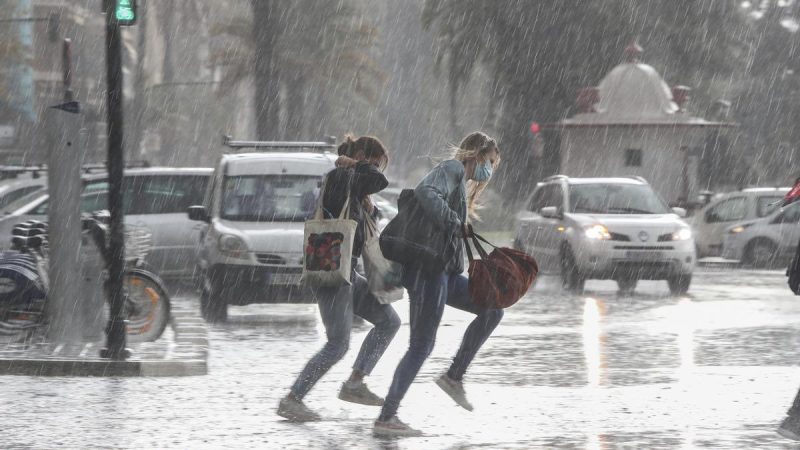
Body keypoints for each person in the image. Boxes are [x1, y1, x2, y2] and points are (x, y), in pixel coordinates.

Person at [373, 131, 503, 437]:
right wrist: (455, 223)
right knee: (421, 346)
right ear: (477, 155)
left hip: (443, 272)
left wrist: (459, 227)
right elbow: (426, 191)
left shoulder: (459, 179)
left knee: (492, 309)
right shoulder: (453, 168)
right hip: (427, 272)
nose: (491, 169)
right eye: (491, 162)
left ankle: (454, 377)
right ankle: (387, 417)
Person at [277, 135, 401, 422]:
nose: (377, 171)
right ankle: (292, 399)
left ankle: (355, 383)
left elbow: (362, 212)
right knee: (338, 343)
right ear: (360, 156)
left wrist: (372, 207)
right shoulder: (340, 176)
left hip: (348, 270)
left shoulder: (351, 182)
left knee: (389, 321)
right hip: (330, 269)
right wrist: (356, 164)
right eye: (374, 163)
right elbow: (378, 181)